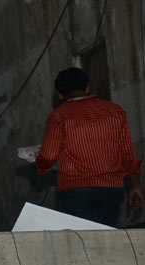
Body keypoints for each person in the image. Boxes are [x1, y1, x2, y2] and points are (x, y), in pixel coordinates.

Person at [36, 67, 143, 226]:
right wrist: (135, 186)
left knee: (82, 241)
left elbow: (48, 156)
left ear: (59, 94)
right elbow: (127, 154)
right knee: (107, 238)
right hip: (112, 190)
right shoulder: (115, 111)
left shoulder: (58, 116)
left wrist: (40, 164)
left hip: (77, 192)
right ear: (87, 87)